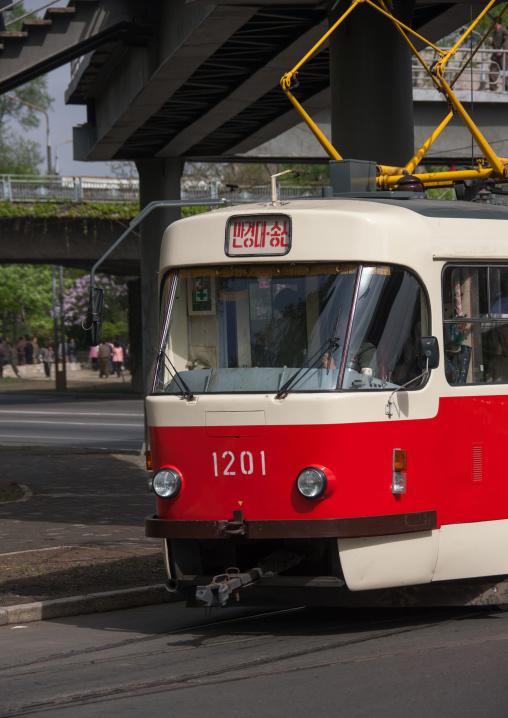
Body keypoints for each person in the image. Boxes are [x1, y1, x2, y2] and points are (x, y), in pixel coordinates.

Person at [490, 21, 508, 91]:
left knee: (506, 72)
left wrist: (502, 49)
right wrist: (492, 43)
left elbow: (507, 41)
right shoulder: (496, 32)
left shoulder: (504, 30)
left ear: (496, 22)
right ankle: (493, 88)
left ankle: (507, 89)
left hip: (504, 56)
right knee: (493, 71)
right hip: (496, 55)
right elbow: (497, 43)